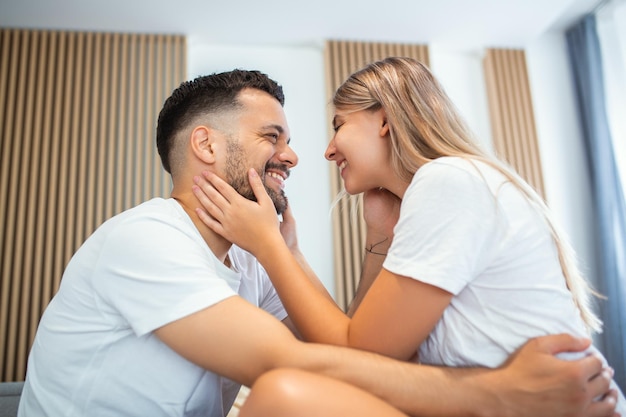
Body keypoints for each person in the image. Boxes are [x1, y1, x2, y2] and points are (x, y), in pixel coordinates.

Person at [18, 69, 616, 417]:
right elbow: (301, 360)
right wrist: (495, 395)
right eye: (272, 136)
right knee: (284, 391)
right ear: (204, 146)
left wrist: (310, 251)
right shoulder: (144, 238)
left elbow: (355, 355)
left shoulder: (251, 263)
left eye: (326, 130)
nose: (301, 155)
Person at [190, 60, 625, 415]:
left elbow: (359, 354)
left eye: (340, 125)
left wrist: (268, 246)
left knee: (283, 395)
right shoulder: (440, 191)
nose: (328, 150)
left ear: (383, 119)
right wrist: (338, 243)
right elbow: (367, 345)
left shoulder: (448, 180)